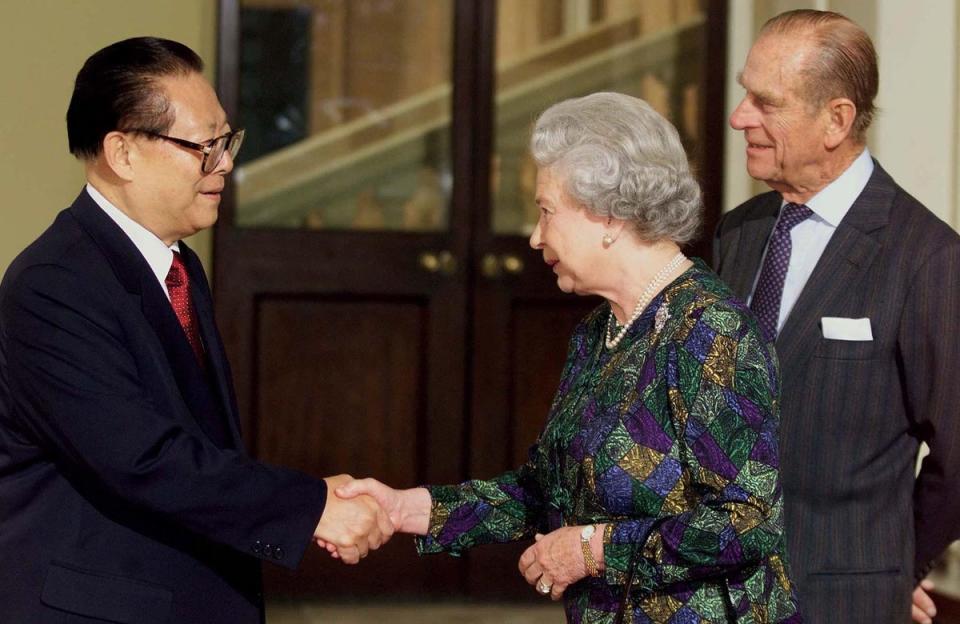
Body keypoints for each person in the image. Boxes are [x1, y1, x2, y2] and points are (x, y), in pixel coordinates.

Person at [332, 92, 802, 623]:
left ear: (608, 215)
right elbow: (542, 491)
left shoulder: (711, 330)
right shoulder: (599, 331)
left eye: (546, 211)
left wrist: (592, 549)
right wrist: (401, 509)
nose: (535, 237)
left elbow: (747, 522)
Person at [0, 37, 390, 623]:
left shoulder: (176, 263)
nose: (225, 163)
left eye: (226, 141)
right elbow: (143, 458)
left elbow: (198, 444)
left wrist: (308, 501)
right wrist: (311, 507)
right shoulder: (55, 284)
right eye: (203, 146)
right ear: (122, 153)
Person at [715, 10, 960, 624]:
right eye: (746, 94)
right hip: (715, 595)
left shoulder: (926, 258)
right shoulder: (736, 236)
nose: (740, 116)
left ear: (837, 119)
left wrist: (896, 562)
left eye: (765, 102)